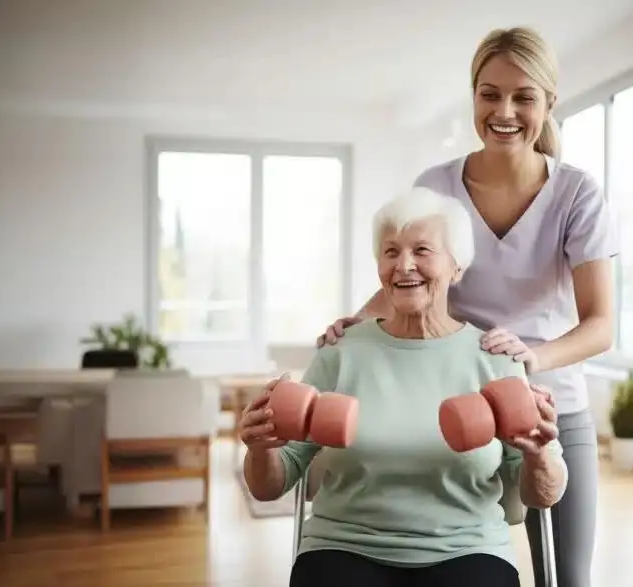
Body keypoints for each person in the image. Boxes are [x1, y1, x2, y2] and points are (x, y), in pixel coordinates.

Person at [315, 27, 617, 587]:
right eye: (489, 93)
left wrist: (530, 358)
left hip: (549, 404)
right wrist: (357, 322)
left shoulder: (578, 193)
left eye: (523, 96)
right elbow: (412, 276)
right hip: (452, 396)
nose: (504, 111)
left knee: (565, 576)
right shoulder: (437, 184)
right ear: (474, 96)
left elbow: (600, 325)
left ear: (549, 102)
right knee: (445, 556)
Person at [240, 187, 569, 587]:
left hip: (467, 549)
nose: (403, 266)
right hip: (343, 546)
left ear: (457, 267)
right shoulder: (340, 353)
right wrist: (260, 448)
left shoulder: (496, 358)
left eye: (422, 250)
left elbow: (540, 496)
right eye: (391, 251)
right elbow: (269, 485)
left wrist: (539, 456)